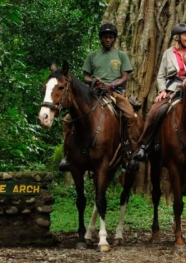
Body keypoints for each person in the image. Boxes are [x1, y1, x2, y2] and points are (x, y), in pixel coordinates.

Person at [131, 23, 186, 167]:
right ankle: (144, 147)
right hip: (172, 89)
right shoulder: (168, 53)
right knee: (155, 112)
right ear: (178, 37)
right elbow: (161, 76)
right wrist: (163, 91)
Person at [59, 23, 139, 171]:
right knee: (68, 120)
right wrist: (94, 81)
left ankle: (131, 155)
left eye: (110, 37)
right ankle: (67, 156)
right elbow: (86, 77)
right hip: (93, 93)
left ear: (114, 39)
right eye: (105, 37)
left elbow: (124, 77)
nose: (107, 39)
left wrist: (111, 86)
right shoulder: (92, 56)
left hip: (115, 93)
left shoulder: (121, 55)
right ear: (101, 39)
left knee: (130, 116)